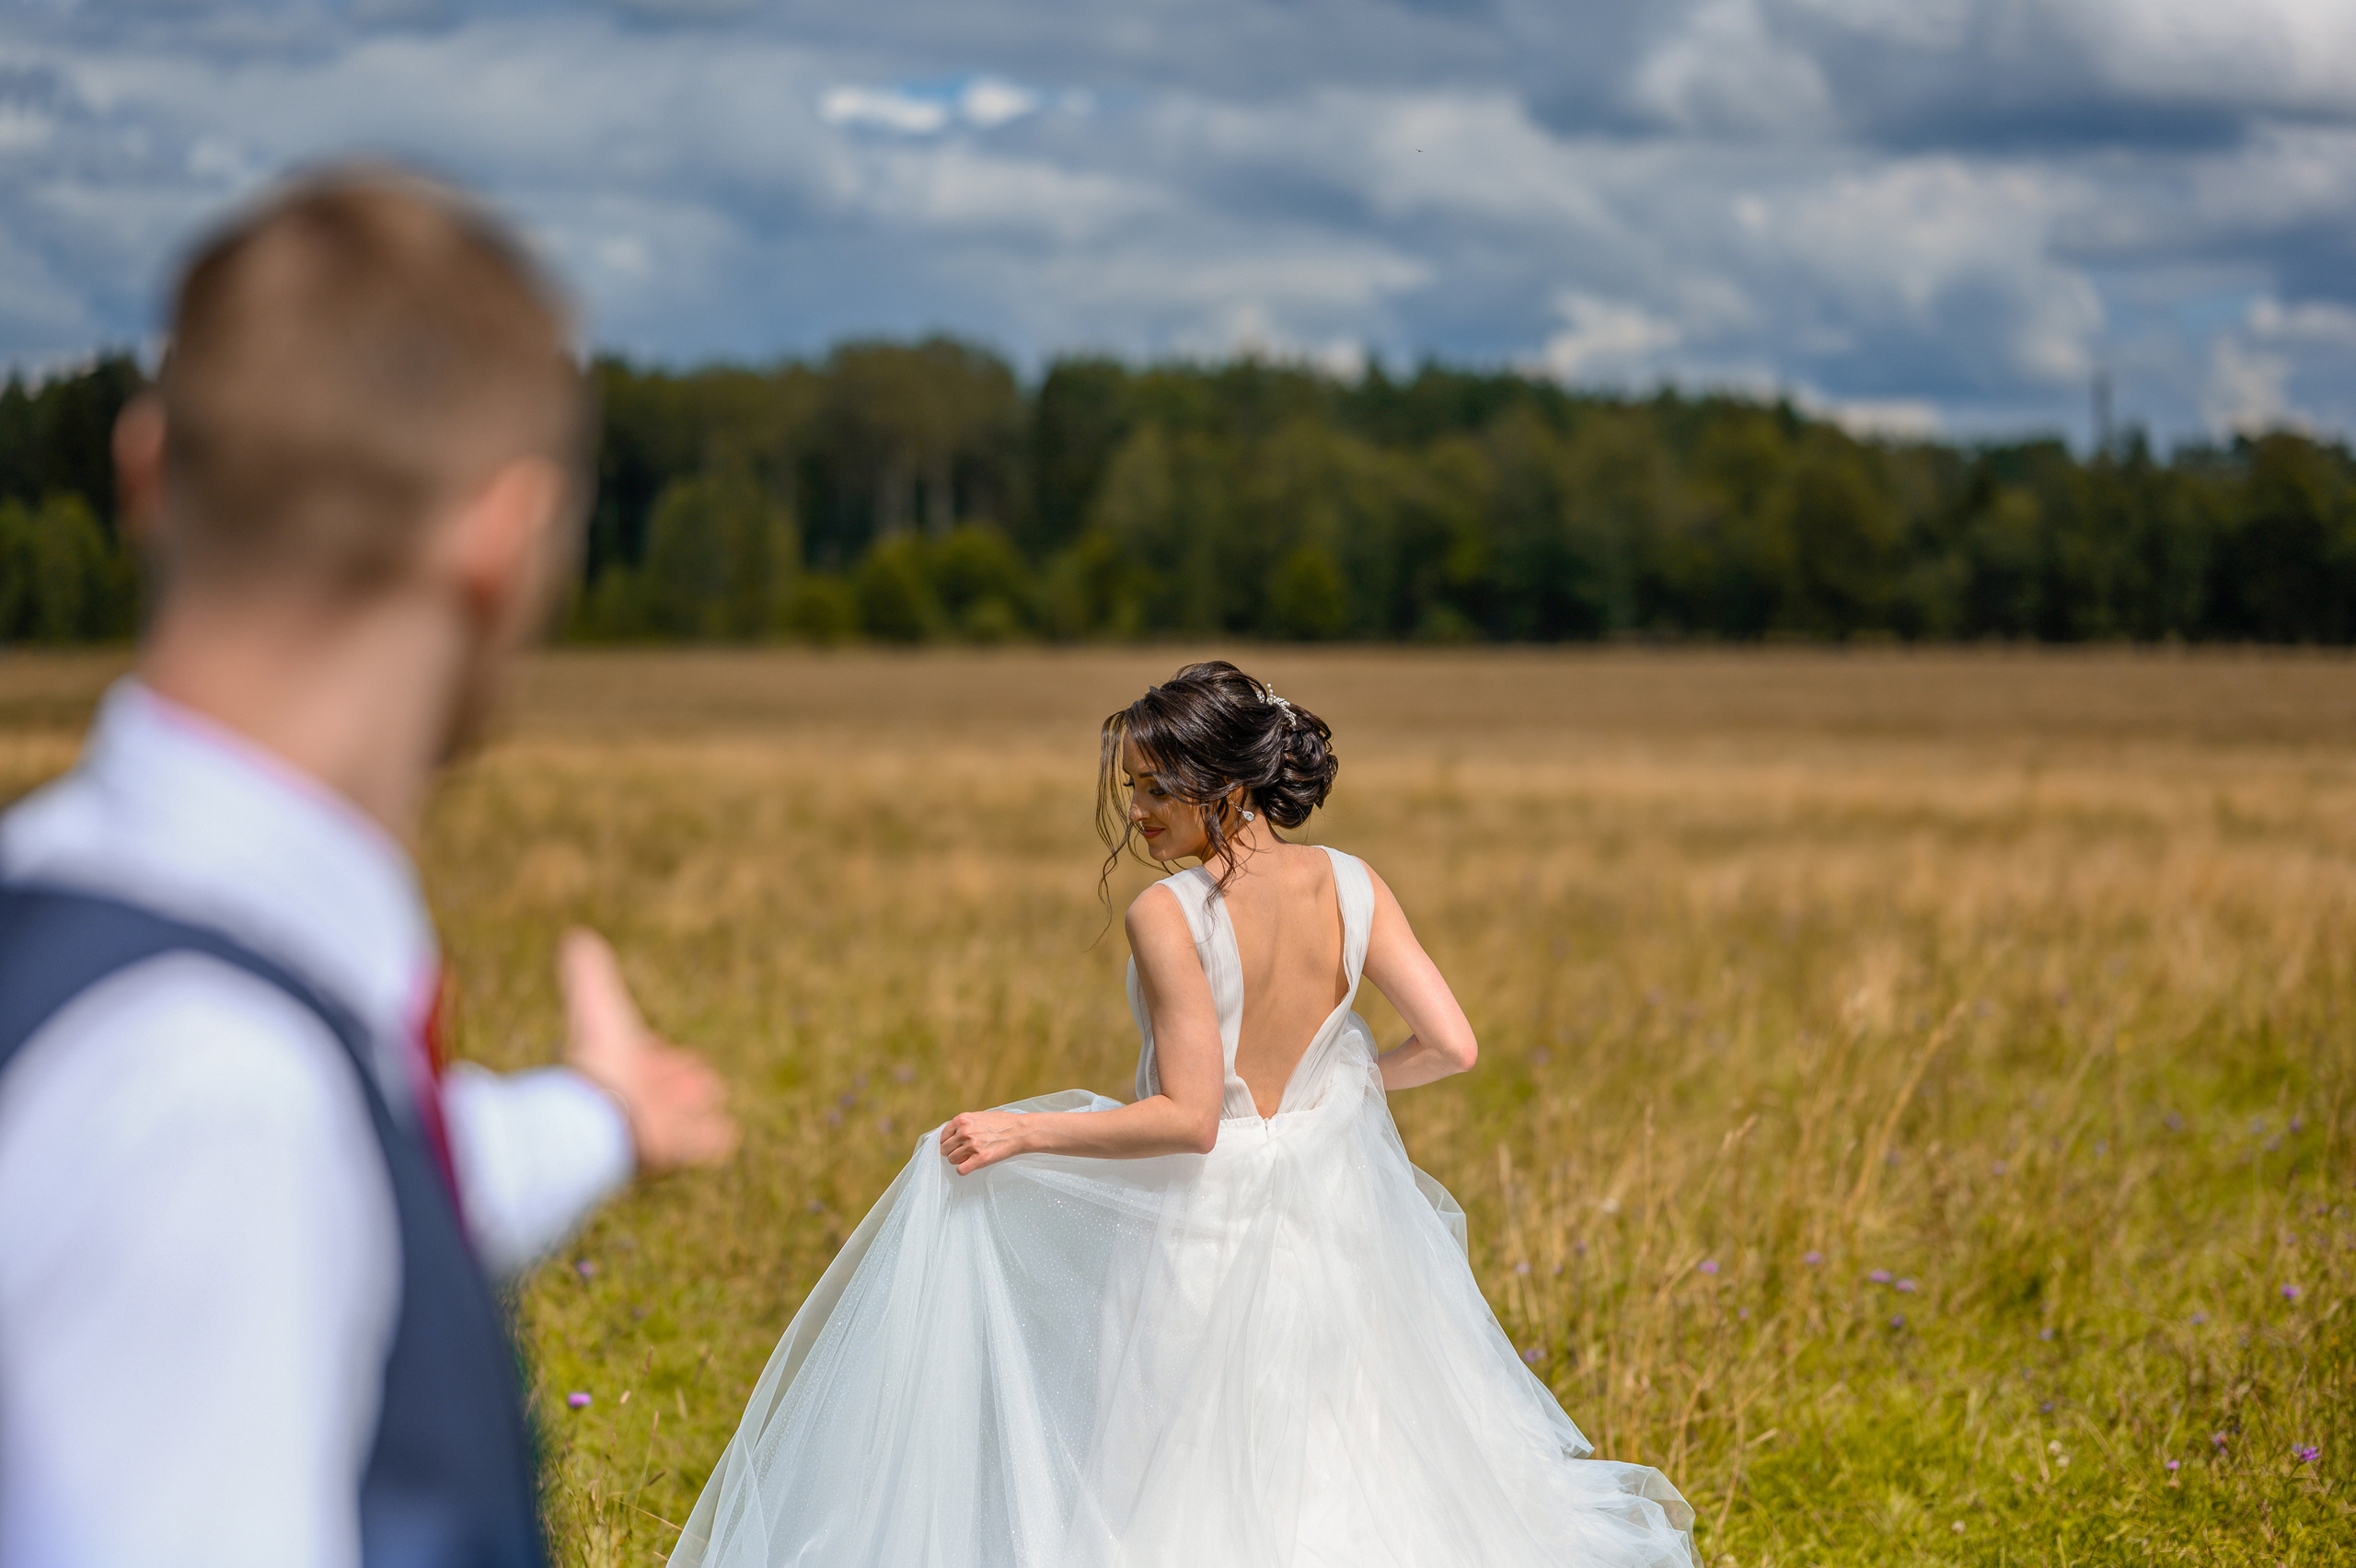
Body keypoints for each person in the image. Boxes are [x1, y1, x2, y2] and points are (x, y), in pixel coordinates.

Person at [0, 167, 737, 1568]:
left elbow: (375, 1178)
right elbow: (259, 1150)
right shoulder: (211, 1101)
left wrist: (596, 1118)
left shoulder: (78, 918)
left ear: (145, 472)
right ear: (504, 542)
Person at [672, 660, 1694, 1568]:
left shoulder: (1170, 914)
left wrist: (1023, 1130)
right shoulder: (1353, 882)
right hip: (1339, 1217)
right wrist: (1342, 1094)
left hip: (1201, 1229)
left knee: (1163, 1461)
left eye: (1159, 791)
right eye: (1132, 792)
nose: (1139, 818)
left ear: (1228, 787)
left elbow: (1191, 1118)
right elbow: (1454, 1045)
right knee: (1336, 1444)